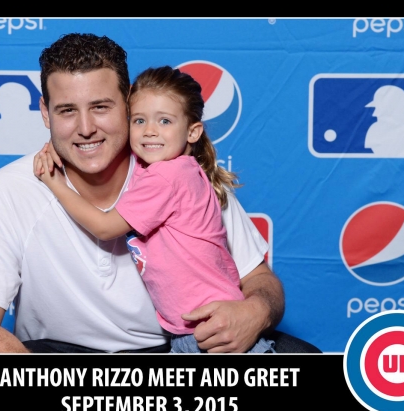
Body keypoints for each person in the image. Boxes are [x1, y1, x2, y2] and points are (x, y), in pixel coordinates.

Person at [0, 32, 321, 353]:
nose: (86, 128)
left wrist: (254, 313)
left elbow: (261, 282)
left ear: (128, 105)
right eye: (67, 111)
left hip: (172, 346)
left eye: (101, 107)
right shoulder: (8, 190)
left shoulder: (181, 174)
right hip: (58, 355)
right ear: (45, 112)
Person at [33, 65, 275, 354]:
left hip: (212, 334)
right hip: (186, 334)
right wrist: (58, 146)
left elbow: (104, 227)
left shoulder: (168, 177)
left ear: (193, 131)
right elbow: (101, 150)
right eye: (138, 120)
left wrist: (54, 182)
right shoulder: (161, 169)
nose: (149, 131)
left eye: (164, 121)